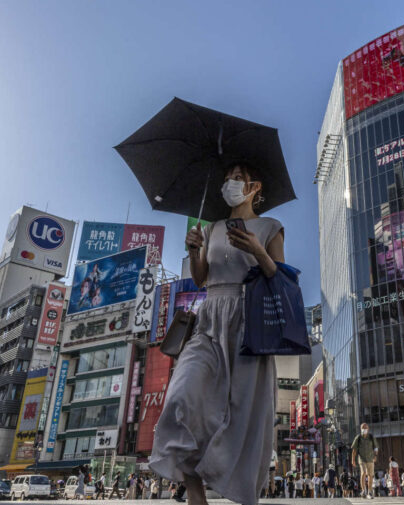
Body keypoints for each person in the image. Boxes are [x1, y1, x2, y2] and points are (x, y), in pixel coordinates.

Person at [150, 161, 284, 505]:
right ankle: (194, 490)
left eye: (237, 179)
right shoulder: (212, 228)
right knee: (182, 395)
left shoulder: (271, 227)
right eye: (227, 178)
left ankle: (235, 487)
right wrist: (194, 251)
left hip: (249, 321)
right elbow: (200, 278)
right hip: (209, 319)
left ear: (254, 186)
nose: (230, 184)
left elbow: (280, 279)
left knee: (242, 413)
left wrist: (256, 249)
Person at [351, 423, 378, 499]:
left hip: (370, 459)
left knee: (370, 475)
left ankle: (369, 491)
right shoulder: (358, 437)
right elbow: (354, 450)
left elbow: (375, 447)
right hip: (362, 459)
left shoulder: (371, 437)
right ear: (360, 429)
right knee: (363, 473)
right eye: (363, 428)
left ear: (368, 429)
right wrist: (353, 460)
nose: (364, 429)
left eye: (365, 428)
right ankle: (363, 490)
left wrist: (375, 456)